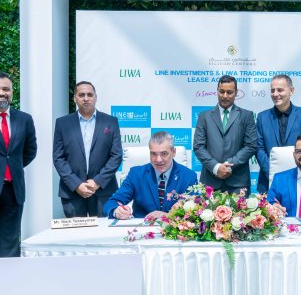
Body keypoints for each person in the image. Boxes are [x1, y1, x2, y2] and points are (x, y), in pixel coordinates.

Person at [53, 81, 122, 217]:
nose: (86, 98)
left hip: (103, 191)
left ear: (96, 97)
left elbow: (116, 155)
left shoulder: (110, 122)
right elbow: (58, 158)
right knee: (76, 231)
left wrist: (98, 181)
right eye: (81, 95)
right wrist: (76, 184)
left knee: (103, 230)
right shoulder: (62, 123)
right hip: (72, 191)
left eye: (90, 95)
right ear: (75, 98)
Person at [104, 131, 197, 219]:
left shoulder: (189, 176)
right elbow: (112, 203)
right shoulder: (136, 174)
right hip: (141, 227)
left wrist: (168, 216)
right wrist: (116, 211)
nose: (158, 159)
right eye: (154, 154)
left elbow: (195, 210)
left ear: (174, 152)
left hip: (174, 228)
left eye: (164, 154)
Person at [193, 75, 257, 196]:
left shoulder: (247, 116)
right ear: (217, 91)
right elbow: (198, 146)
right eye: (221, 91)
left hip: (238, 183)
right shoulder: (204, 116)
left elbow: (251, 146)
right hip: (210, 182)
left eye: (229, 92)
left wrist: (230, 165)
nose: (225, 96)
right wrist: (216, 167)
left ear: (236, 93)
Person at [0, 72, 37, 257]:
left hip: (13, 189)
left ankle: (7, 274)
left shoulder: (24, 119)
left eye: (6, 89)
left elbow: (30, 151)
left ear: (12, 92)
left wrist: (12, 167)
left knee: (10, 240)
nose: (2, 93)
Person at [256, 74, 301, 192]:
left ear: (291, 91)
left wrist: (291, 173)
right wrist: (272, 171)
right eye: (272, 90)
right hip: (268, 181)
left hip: (296, 179)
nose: (275, 94)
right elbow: (258, 148)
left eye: (280, 90)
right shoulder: (262, 117)